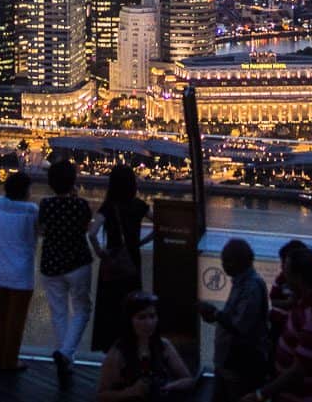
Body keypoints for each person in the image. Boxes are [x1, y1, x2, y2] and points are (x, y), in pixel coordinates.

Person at [243, 246, 312, 402]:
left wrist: (260, 395)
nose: (283, 275)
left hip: (300, 397)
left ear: (299, 278)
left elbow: (297, 373)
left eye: (286, 271)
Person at [40, 158, 94, 387]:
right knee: (82, 309)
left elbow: (42, 229)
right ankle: (66, 354)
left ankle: (65, 356)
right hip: (77, 262)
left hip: (51, 263)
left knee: (58, 312)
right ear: (73, 181)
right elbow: (85, 228)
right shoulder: (80, 205)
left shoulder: (45, 204)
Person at [89, 164, 152, 352]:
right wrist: (141, 243)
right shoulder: (139, 205)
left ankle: (109, 347)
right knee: (131, 305)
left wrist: (100, 252)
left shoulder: (108, 206)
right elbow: (160, 224)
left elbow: (92, 233)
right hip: (132, 260)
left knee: (110, 306)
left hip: (112, 261)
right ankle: (130, 346)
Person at [198, 238, 269, 402]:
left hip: (239, 366)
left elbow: (240, 326)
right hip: (230, 364)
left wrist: (214, 314)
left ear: (237, 262)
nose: (223, 265)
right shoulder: (242, 283)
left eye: (226, 261)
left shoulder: (250, 287)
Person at [96, 291, 198, 401]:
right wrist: (130, 392)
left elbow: (189, 380)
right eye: (142, 317)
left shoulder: (163, 345)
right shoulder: (119, 352)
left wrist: (169, 386)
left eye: (152, 316)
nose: (149, 323)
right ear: (130, 321)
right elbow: (102, 395)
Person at [0, 170, 38, 372]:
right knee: (16, 321)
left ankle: (0, 357)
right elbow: (39, 230)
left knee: (2, 316)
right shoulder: (31, 210)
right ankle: (10, 361)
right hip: (20, 276)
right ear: (25, 190)